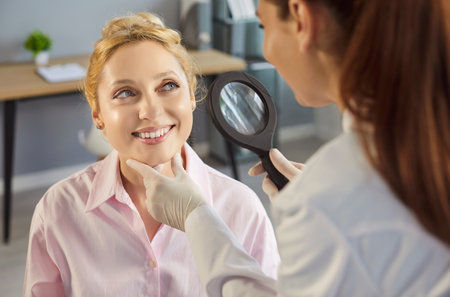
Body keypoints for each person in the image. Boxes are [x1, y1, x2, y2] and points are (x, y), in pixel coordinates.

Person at [128, 0, 450, 296]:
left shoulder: (320, 201)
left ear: (301, 18)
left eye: (263, 27)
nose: (266, 52)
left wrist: (195, 216)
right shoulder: (418, 144)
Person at [23, 12, 279, 297]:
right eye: (125, 93)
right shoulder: (57, 211)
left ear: (191, 96)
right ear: (98, 115)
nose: (151, 111)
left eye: (168, 86)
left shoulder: (242, 209)